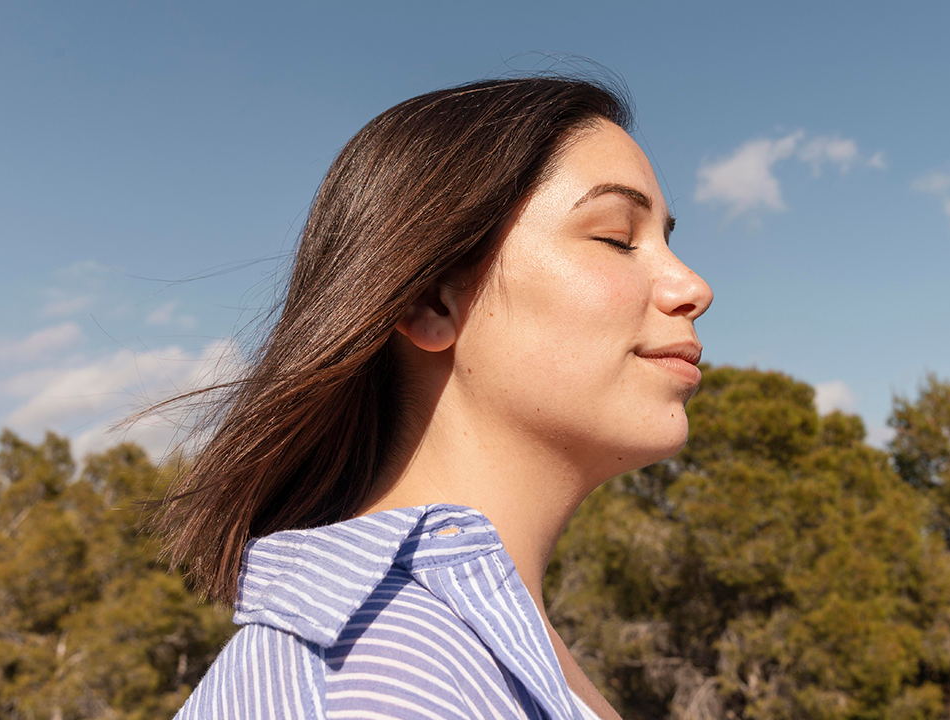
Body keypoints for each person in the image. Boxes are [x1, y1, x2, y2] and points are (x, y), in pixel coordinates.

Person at [160, 75, 713, 720]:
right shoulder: (374, 683)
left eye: (668, 240)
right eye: (617, 238)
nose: (692, 286)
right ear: (431, 302)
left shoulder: (480, 649)